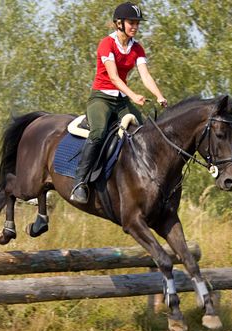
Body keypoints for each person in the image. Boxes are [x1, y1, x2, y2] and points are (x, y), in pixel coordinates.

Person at [70, 2, 168, 204]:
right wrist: (133, 95)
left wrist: (159, 95)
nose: (135, 26)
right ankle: (79, 183)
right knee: (98, 133)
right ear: (119, 24)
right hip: (102, 98)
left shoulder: (137, 48)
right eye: (131, 22)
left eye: (137, 23)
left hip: (121, 100)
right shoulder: (107, 44)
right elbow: (114, 77)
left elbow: (145, 76)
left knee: (143, 133)